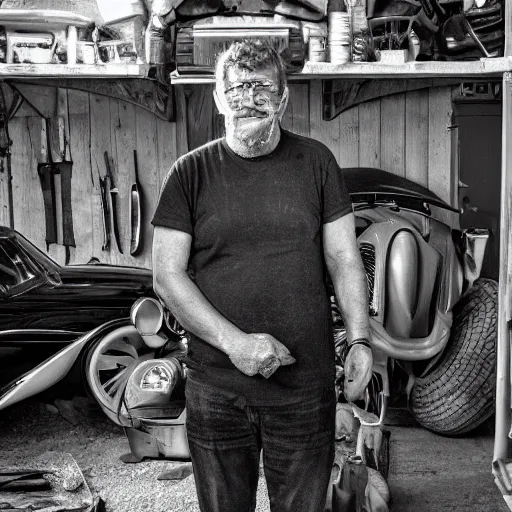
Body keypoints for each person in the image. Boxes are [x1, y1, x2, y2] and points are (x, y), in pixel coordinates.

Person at [151, 39, 372, 512]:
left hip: (304, 392)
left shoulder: (316, 163)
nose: (248, 99)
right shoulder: (189, 174)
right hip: (217, 392)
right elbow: (167, 277)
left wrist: (359, 340)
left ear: (284, 98)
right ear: (216, 98)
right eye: (236, 89)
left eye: (262, 88)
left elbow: (345, 260)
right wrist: (237, 344)